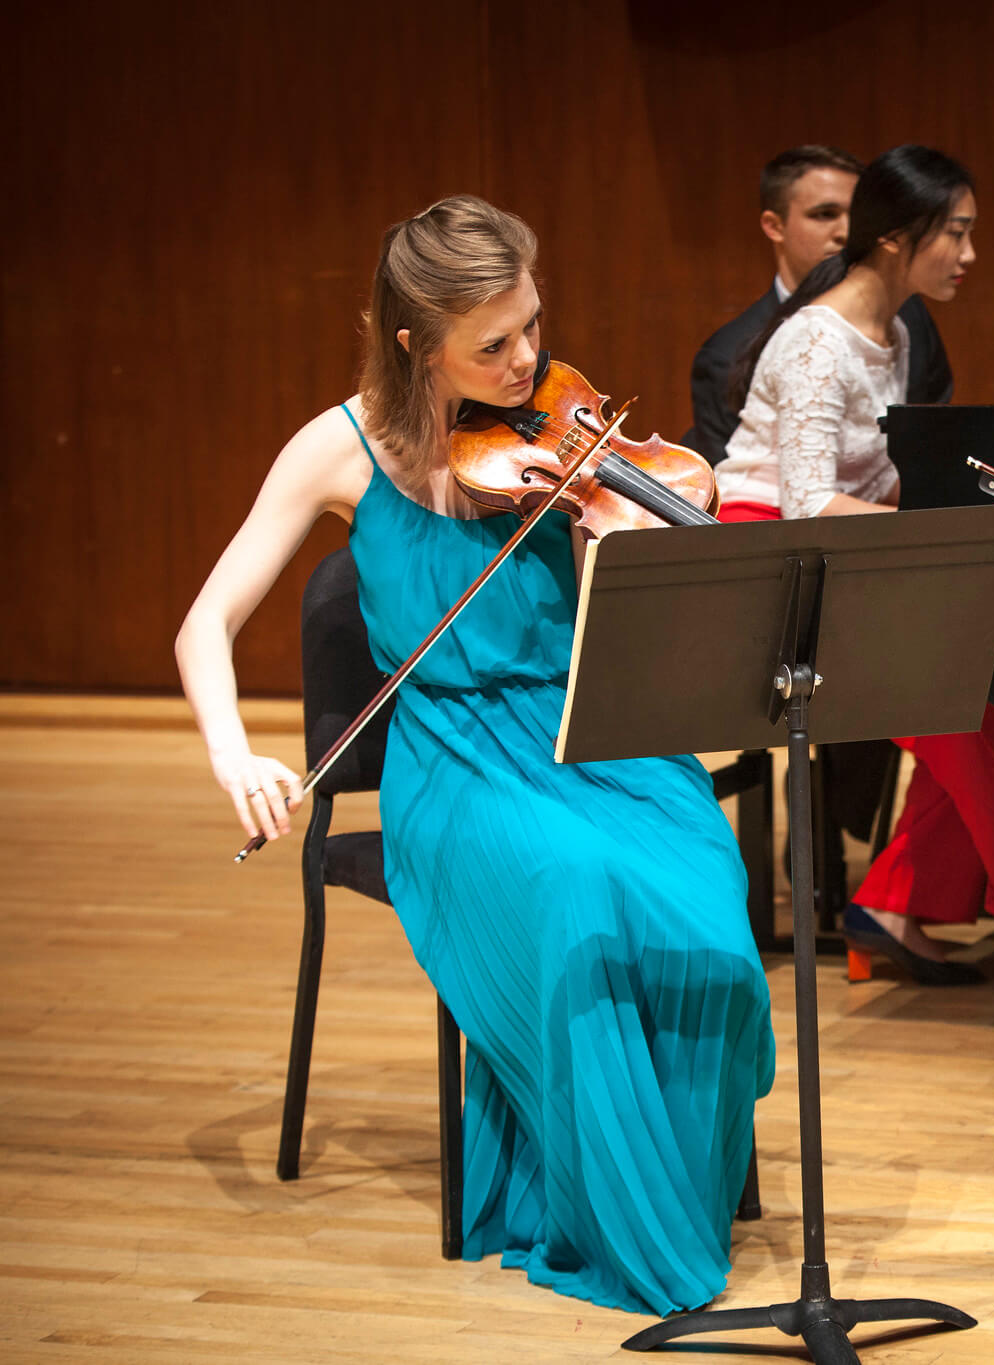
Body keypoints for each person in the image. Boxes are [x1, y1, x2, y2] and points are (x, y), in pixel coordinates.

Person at [173, 196, 775, 1315]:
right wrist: (233, 755)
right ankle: (631, 1216)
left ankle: (672, 1166)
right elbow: (203, 623)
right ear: (415, 344)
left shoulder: (557, 437)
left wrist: (614, 549)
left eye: (532, 325)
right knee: (578, 889)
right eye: (492, 344)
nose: (526, 360)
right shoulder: (338, 448)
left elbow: (641, 626)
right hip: (456, 759)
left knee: (711, 906)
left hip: (598, 734)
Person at [714, 144, 994, 987]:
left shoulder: (890, 329)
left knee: (991, 714)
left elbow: (876, 480)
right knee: (965, 718)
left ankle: (894, 903)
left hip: (843, 559)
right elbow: (805, 504)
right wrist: (944, 532)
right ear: (897, 238)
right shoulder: (817, 343)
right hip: (775, 572)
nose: (970, 254)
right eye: (955, 233)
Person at [685, 145, 952, 465]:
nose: (846, 232)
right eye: (825, 214)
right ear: (774, 226)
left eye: (857, 215)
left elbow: (938, 435)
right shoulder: (725, 355)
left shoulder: (908, 316)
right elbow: (726, 481)